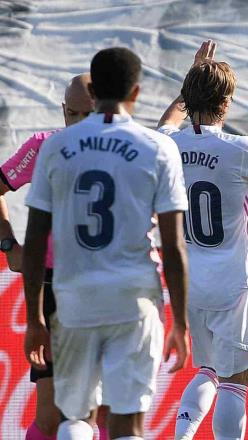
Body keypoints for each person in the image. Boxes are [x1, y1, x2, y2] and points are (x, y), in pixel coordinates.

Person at [23, 47, 190, 440]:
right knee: (126, 420)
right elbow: (173, 245)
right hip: (134, 298)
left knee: (76, 417)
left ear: (93, 90)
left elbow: (33, 239)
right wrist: (180, 322)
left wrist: (35, 317)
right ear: (136, 92)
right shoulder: (158, 147)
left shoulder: (56, 147)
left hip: (73, 297)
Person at [157, 40, 248, 440]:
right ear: (226, 103)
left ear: (189, 96)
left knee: (207, 370)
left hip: (190, 282)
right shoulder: (239, 149)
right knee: (235, 379)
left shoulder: (170, 144)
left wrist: (187, 89)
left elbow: (165, 124)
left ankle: (182, 435)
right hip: (234, 282)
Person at [0, 74, 103, 440]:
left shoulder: (125, 151)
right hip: (54, 289)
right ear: (62, 111)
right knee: (50, 417)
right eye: (71, 114)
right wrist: (9, 244)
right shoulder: (43, 146)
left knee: (109, 415)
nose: (77, 123)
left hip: (108, 289)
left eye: (86, 115)